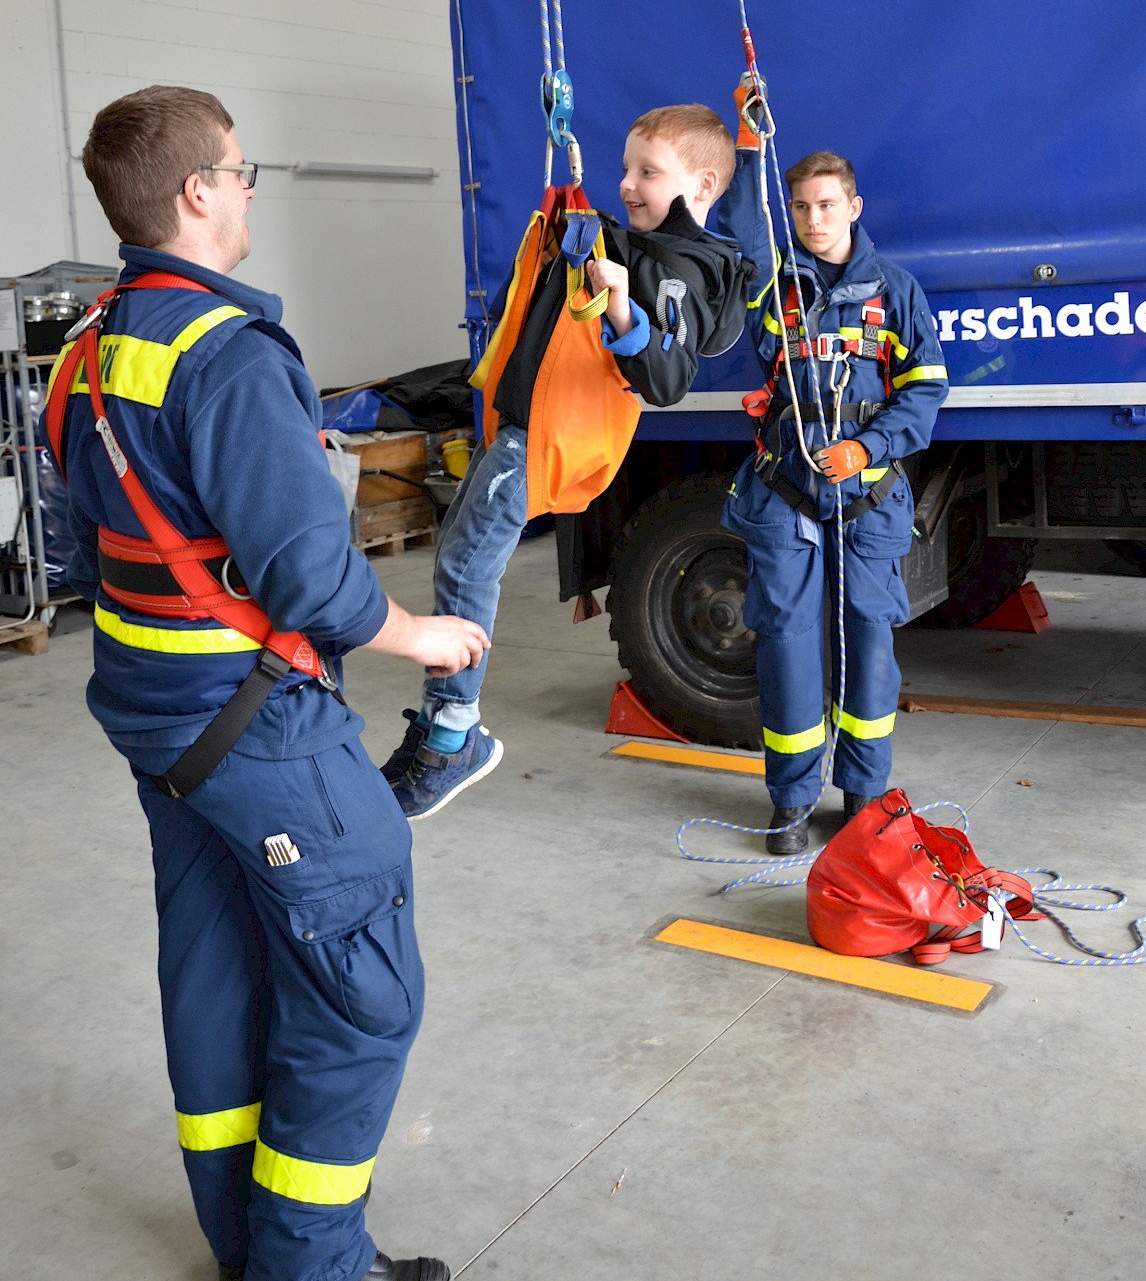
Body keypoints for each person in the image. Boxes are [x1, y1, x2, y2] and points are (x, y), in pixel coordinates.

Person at [43, 84, 488, 1281]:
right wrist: (418, 637)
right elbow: (309, 577)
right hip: (260, 730)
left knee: (220, 976)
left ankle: (244, 1243)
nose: (246, 190)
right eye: (240, 173)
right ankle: (310, 1266)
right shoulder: (226, 355)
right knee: (360, 1001)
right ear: (196, 193)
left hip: (157, 726)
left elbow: (97, 548)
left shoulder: (86, 354)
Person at [383, 103, 754, 819]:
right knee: (457, 559)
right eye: (626, 169)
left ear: (702, 186)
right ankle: (441, 721)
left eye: (649, 172)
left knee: (465, 567)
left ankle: (455, 728)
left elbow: (668, 377)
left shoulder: (678, 267)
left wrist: (619, 305)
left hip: (547, 434)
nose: (628, 184)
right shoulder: (640, 246)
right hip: (527, 424)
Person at [719, 116, 948, 855]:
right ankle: (789, 804)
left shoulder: (898, 294)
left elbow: (925, 394)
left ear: (854, 206)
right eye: (801, 207)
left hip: (870, 498)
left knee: (869, 647)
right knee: (785, 646)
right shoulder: (774, 289)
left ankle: (863, 800)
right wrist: (750, 143)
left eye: (826, 204)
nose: (813, 219)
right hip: (785, 497)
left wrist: (868, 447)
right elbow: (740, 226)